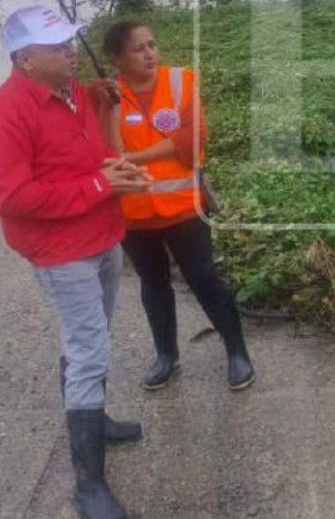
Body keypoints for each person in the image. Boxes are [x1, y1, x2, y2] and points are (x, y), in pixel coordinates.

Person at [0, 6, 150, 519]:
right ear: (24, 59)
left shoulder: (74, 94)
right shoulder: (2, 115)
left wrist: (113, 165)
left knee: (91, 338)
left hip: (102, 234)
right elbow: (12, 198)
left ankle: (96, 419)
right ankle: (88, 484)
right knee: (89, 348)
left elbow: (86, 158)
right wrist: (99, 183)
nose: (71, 52)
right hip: (60, 251)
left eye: (71, 42)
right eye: (57, 47)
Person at [100, 20, 255, 392]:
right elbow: (109, 153)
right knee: (153, 285)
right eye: (139, 48)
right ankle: (166, 355)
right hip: (135, 214)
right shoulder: (108, 95)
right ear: (117, 58)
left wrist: (136, 157)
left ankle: (237, 352)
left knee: (204, 279)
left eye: (152, 44)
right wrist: (107, 109)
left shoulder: (180, 82)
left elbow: (192, 138)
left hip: (184, 206)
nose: (150, 53)